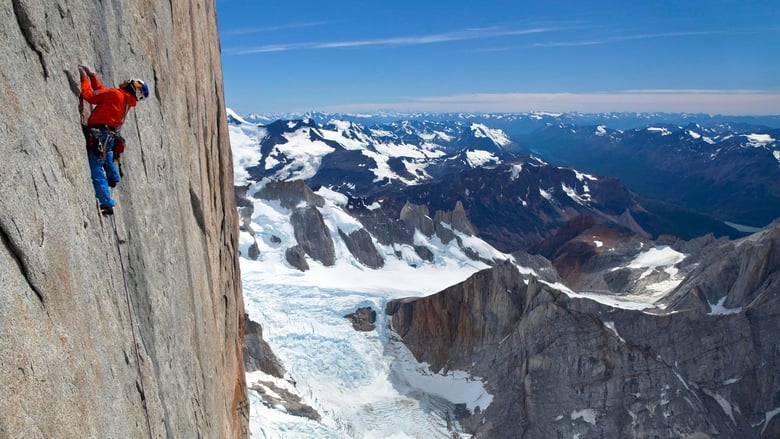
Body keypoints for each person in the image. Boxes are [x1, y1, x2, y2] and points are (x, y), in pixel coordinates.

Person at [79, 65, 149, 215]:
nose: (124, 80)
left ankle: (107, 203)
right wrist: (92, 76)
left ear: (131, 86)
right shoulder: (125, 100)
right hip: (108, 136)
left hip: (99, 134)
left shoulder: (117, 95)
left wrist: (84, 79)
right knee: (107, 155)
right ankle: (113, 176)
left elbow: (90, 97)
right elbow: (104, 95)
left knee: (97, 168)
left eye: (128, 81)